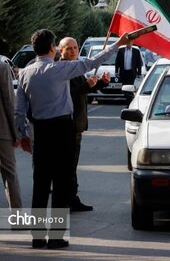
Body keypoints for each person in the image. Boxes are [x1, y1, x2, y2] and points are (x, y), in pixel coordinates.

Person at [15, 29, 130, 249]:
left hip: (40, 131)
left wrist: (23, 136)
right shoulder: (59, 69)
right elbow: (93, 60)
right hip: (62, 129)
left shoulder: (25, 73)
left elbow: (19, 111)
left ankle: (38, 237)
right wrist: (118, 44)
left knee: (40, 185)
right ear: (52, 48)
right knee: (60, 184)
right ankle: (56, 237)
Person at [58, 37, 110, 212]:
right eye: (69, 48)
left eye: (75, 47)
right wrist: (86, 85)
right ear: (60, 50)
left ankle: (70, 198)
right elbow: (70, 93)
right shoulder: (63, 69)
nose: (73, 51)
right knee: (69, 166)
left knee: (71, 165)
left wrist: (102, 82)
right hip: (68, 125)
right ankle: (70, 199)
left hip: (77, 124)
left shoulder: (75, 66)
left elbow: (84, 88)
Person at [0, 61, 22, 210]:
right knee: (9, 174)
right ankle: (18, 218)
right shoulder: (2, 66)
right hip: (2, 130)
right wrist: (16, 133)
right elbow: (9, 100)